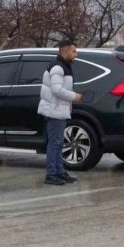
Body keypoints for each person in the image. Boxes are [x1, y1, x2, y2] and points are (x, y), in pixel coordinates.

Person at [37, 40, 83, 185]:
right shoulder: (58, 67)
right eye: (74, 51)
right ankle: (51, 174)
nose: (76, 54)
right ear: (65, 51)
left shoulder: (64, 66)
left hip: (59, 110)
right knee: (55, 143)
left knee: (58, 142)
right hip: (54, 110)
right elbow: (56, 90)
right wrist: (74, 96)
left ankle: (59, 172)